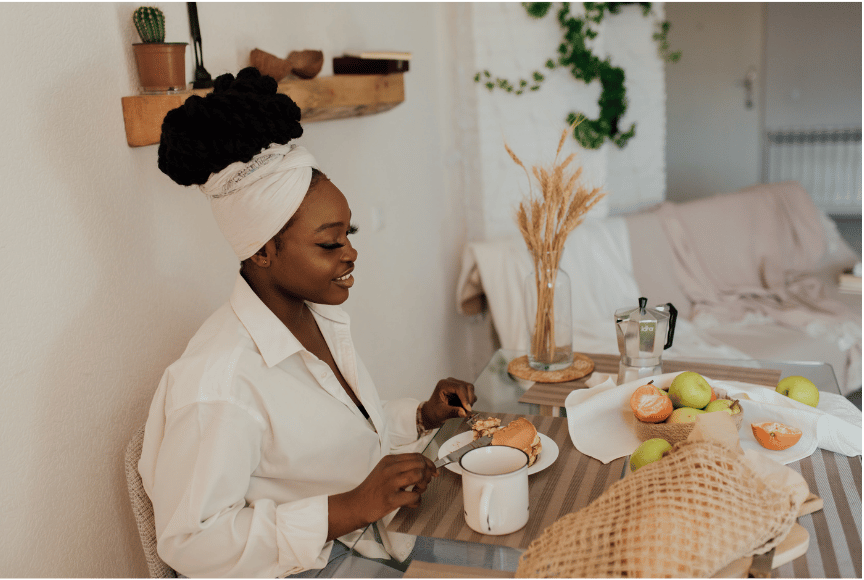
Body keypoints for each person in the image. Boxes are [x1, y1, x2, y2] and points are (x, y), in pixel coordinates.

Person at [138, 67, 476, 578]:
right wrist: (351, 507)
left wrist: (421, 417)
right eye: (329, 242)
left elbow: (328, 441)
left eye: (349, 233)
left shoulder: (314, 317)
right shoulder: (220, 381)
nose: (351, 252)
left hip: (363, 541)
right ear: (266, 251)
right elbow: (190, 542)